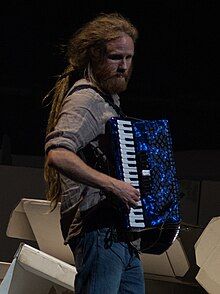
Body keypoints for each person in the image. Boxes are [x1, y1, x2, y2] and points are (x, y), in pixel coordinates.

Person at [44, 13, 145, 294]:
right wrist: (115, 186)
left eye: (128, 58)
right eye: (115, 57)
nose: (124, 66)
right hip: (98, 231)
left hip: (121, 236)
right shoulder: (86, 99)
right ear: (95, 56)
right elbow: (58, 154)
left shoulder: (108, 100)